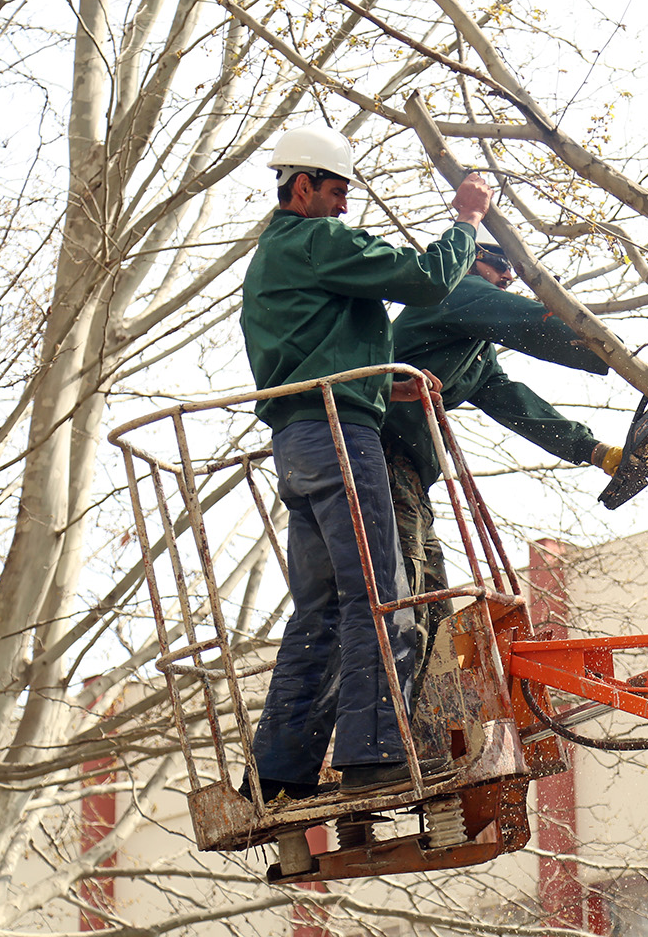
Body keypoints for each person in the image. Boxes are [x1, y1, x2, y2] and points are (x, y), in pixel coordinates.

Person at [239, 124, 493, 801]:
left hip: (296, 445)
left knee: (318, 608)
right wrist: (466, 219)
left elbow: (313, 345)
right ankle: (376, 752)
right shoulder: (318, 240)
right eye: (336, 191)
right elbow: (427, 279)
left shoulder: (273, 257)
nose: (344, 207)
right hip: (339, 436)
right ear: (303, 187)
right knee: (383, 593)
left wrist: (387, 384)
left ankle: (278, 767)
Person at [381, 241, 623, 599]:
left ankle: (418, 651)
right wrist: (611, 350)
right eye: (499, 264)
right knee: (401, 581)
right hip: (378, 451)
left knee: (427, 590)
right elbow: (521, 318)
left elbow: (514, 403)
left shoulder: (473, 351)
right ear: (470, 261)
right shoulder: (454, 291)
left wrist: (593, 450)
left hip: (409, 468)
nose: (508, 275)